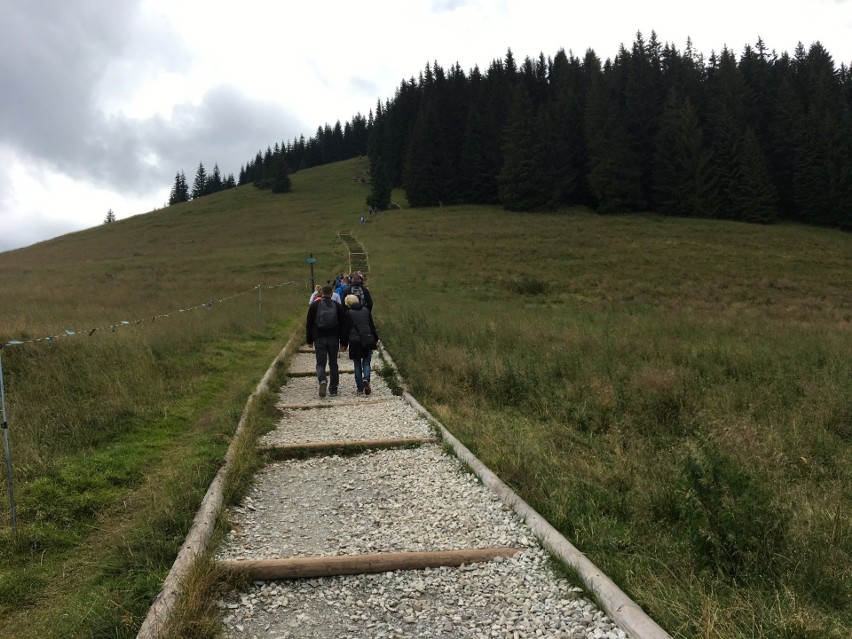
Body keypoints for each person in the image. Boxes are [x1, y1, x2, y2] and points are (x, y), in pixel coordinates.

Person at [305, 284, 347, 398]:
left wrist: (309, 340)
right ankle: (333, 389)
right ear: (332, 293)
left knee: (320, 363)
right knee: (333, 364)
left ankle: (322, 380)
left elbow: (309, 324)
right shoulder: (337, 306)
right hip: (334, 338)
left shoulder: (314, 305)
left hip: (319, 338)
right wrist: (344, 342)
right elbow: (343, 325)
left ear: (321, 293)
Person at [343, 293, 379, 395]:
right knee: (366, 362)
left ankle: (359, 387)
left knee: (357, 363)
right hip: (367, 339)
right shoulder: (366, 311)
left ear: (348, 304)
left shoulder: (348, 313)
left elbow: (346, 330)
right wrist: (375, 338)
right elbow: (372, 326)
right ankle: (366, 379)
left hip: (354, 341)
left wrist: (344, 343)